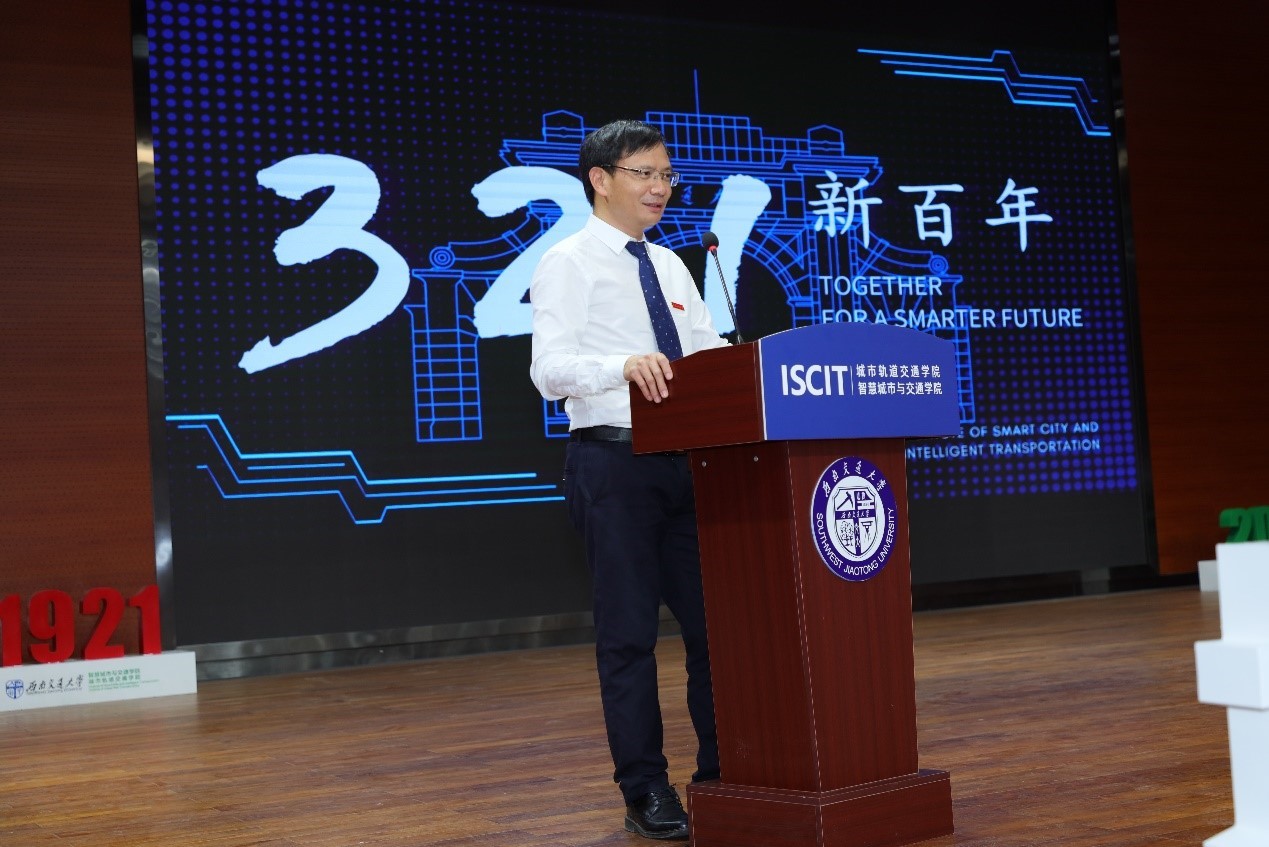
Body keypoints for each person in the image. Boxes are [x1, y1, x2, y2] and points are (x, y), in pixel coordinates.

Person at [528, 118, 729, 841]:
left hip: (688, 467)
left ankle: (723, 772)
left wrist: (748, 364)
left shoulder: (671, 264)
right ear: (600, 179)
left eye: (666, 175)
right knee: (629, 637)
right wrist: (620, 365)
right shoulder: (567, 262)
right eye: (644, 173)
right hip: (613, 464)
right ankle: (645, 787)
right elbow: (548, 370)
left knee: (716, 630)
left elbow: (705, 352)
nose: (660, 188)